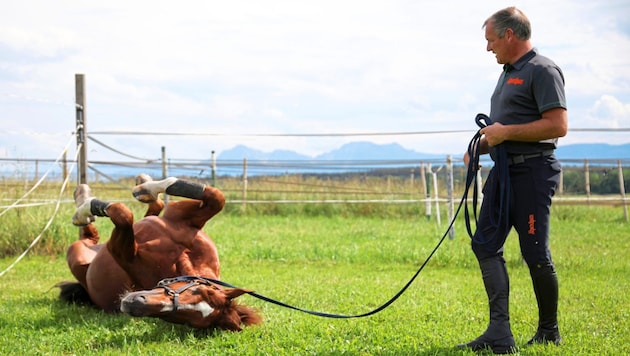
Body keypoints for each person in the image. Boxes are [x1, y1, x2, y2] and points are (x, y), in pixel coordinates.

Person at [458, 7, 568, 354]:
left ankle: (549, 331)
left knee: (535, 253)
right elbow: (504, 129)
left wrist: (505, 133)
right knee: (484, 244)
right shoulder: (507, 73)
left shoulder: (542, 70)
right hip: (503, 173)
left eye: (491, 40)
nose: (488, 48)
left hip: (533, 174)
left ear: (509, 35)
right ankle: (499, 333)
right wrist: (481, 145)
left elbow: (557, 126)